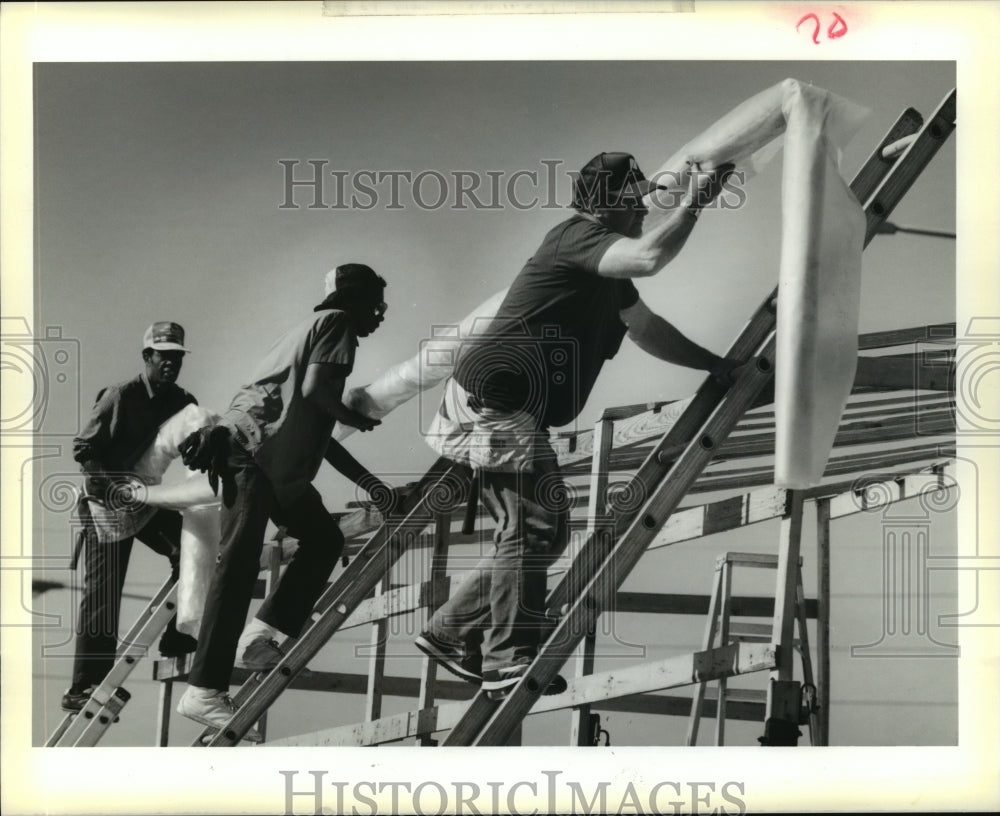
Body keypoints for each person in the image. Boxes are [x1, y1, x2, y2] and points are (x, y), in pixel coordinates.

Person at [418, 152, 741, 699]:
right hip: (497, 401)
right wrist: (694, 204)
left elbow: (647, 330)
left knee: (545, 529)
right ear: (606, 204)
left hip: (513, 406)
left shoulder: (603, 273)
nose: (642, 209)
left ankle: (451, 631)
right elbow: (648, 258)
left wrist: (716, 365)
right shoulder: (577, 235)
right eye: (634, 200)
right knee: (532, 528)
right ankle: (504, 659)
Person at [175, 263, 396, 735]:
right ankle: (204, 689)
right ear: (354, 299)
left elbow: (318, 425)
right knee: (236, 566)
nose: (379, 316)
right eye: (375, 304)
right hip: (253, 455)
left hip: (270, 464)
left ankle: (260, 635)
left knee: (322, 539)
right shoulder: (337, 325)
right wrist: (354, 416)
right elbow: (319, 395)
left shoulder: (307, 330)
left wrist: (369, 481)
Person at [63, 322, 199, 712]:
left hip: (145, 495)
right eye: (163, 356)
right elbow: (84, 449)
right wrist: (111, 486)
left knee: (192, 547)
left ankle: (177, 636)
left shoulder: (183, 401)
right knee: (103, 593)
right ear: (147, 357)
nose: (170, 363)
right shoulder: (121, 396)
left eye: (176, 357)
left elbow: (191, 442)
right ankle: (84, 686)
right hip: (105, 500)